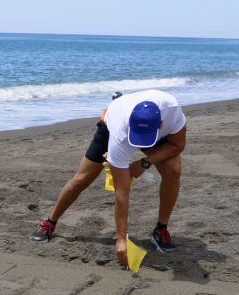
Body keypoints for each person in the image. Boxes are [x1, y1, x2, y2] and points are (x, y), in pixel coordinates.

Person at [30, 89, 187, 268]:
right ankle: (50, 222)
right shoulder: (119, 134)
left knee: (173, 171)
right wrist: (121, 239)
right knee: (83, 178)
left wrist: (144, 163)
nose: (139, 145)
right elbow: (122, 191)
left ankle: (161, 230)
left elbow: (177, 145)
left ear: (160, 123)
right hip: (113, 126)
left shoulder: (171, 109)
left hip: (154, 133)